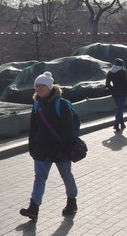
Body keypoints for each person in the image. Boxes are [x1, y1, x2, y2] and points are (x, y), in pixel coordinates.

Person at [20, 72, 78, 220]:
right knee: (39, 178)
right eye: (36, 86)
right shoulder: (36, 104)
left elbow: (68, 129)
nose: (38, 89)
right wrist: (32, 147)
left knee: (66, 176)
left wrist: (65, 149)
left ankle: (72, 202)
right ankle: (34, 208)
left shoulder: (61, 104)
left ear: (49, 87)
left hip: (60, 150)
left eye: (42, 86)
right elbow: (33, 128)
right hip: (41, 149)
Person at [105, 58, 127, 130]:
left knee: (119, 108)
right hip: (122, 93)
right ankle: (116, 123)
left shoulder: (110, 72)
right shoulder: (123, 72)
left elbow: (107, 83)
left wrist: (112, 89)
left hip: (114, 93)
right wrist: (126, 89)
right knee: (120, 108)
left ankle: (122, 124)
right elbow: (126, 83)